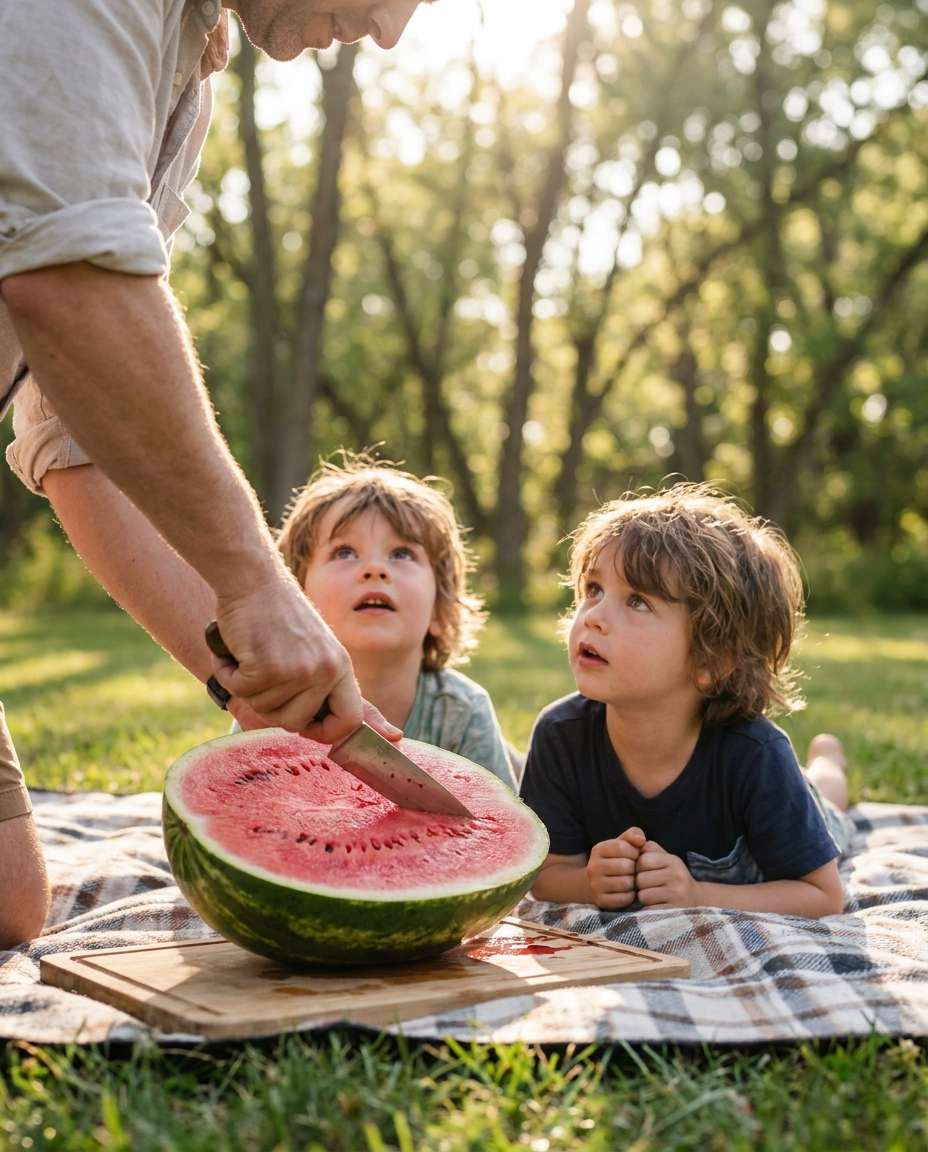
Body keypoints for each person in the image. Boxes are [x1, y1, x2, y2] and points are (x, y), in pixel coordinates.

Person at [0, 2, 432, 945]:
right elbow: (71, 285)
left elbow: (77, 437)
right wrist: (252, 580)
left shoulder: (188, 60)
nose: (393, 31)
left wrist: (250, 672)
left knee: (5, 905)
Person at [520, 484, 853, 918]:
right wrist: (585, 883)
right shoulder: (559, 734)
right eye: (594, 589)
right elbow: (545, 875)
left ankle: (829, 760)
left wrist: (698, 895)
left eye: (637, 601)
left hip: (795, 811)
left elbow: (823, 896)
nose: (594, 617)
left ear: (713, 659)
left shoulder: (757, 755)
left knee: (829, 804)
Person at [250, 455, 517, 787]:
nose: (374, 569)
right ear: (297, 603)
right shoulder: (275, 703)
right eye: (344, 552)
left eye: (402, 554)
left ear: (439, 611)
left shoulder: (461, 713)